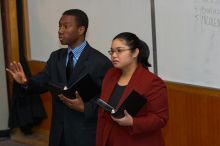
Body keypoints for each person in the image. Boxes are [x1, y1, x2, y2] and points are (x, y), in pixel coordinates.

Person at [6, 9, 111, 146]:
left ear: (81, 30)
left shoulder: (100, 62)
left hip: (84, 134)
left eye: (66, 26)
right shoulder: (56, 57)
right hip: (58, 134)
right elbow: (42, 81)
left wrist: (85, 107)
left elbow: (106, 102)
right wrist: (26, 82)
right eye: (59, 26)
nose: (60, 30)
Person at [96, 32, 168, 146]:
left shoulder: (152, 82)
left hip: (138, 141)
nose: (114, 55)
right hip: (110, 139)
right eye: (112, 51)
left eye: (119, 51)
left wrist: (133, 122)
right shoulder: (111, 74)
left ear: (135, 52)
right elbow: (102, 115)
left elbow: (160, 118)